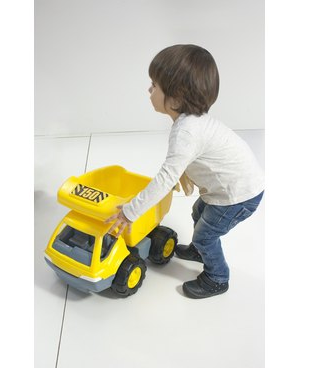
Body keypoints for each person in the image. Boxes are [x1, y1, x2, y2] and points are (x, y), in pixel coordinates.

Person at [105, 44, 264, 299]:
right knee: (198, 212)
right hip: (233, 187)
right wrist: (186, 171)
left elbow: (163, 179)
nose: (149, 90)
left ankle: (217, 277)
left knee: (206, 236)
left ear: (176, 99)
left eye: (154, 85)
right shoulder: (192, 124)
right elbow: (195, 155)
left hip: (239, 196)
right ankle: (200, 252)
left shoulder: (187, 132)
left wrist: (130, 212)